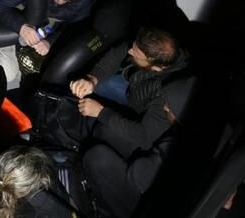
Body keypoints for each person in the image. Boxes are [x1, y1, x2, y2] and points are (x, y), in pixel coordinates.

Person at [82, 75, 196, 218]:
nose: (165, 107)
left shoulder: (182, 147)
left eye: (171, 106)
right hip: (152, 166)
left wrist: (101, 112)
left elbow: (139, 176)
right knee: (105, 131)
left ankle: (104, 208)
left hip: (154, 206)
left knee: (96, 158)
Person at [69, 27, 189, 156]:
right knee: (97, 86)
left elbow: (145, 137)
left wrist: (100, 112)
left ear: (157, 68)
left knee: (103, 129)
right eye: (133, 46)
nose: (130, 50)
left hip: (139, 111)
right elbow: (119, 52)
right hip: (135, 86)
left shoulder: (168, 99)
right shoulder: (150, 49)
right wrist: (92, 79)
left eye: (135, 53)